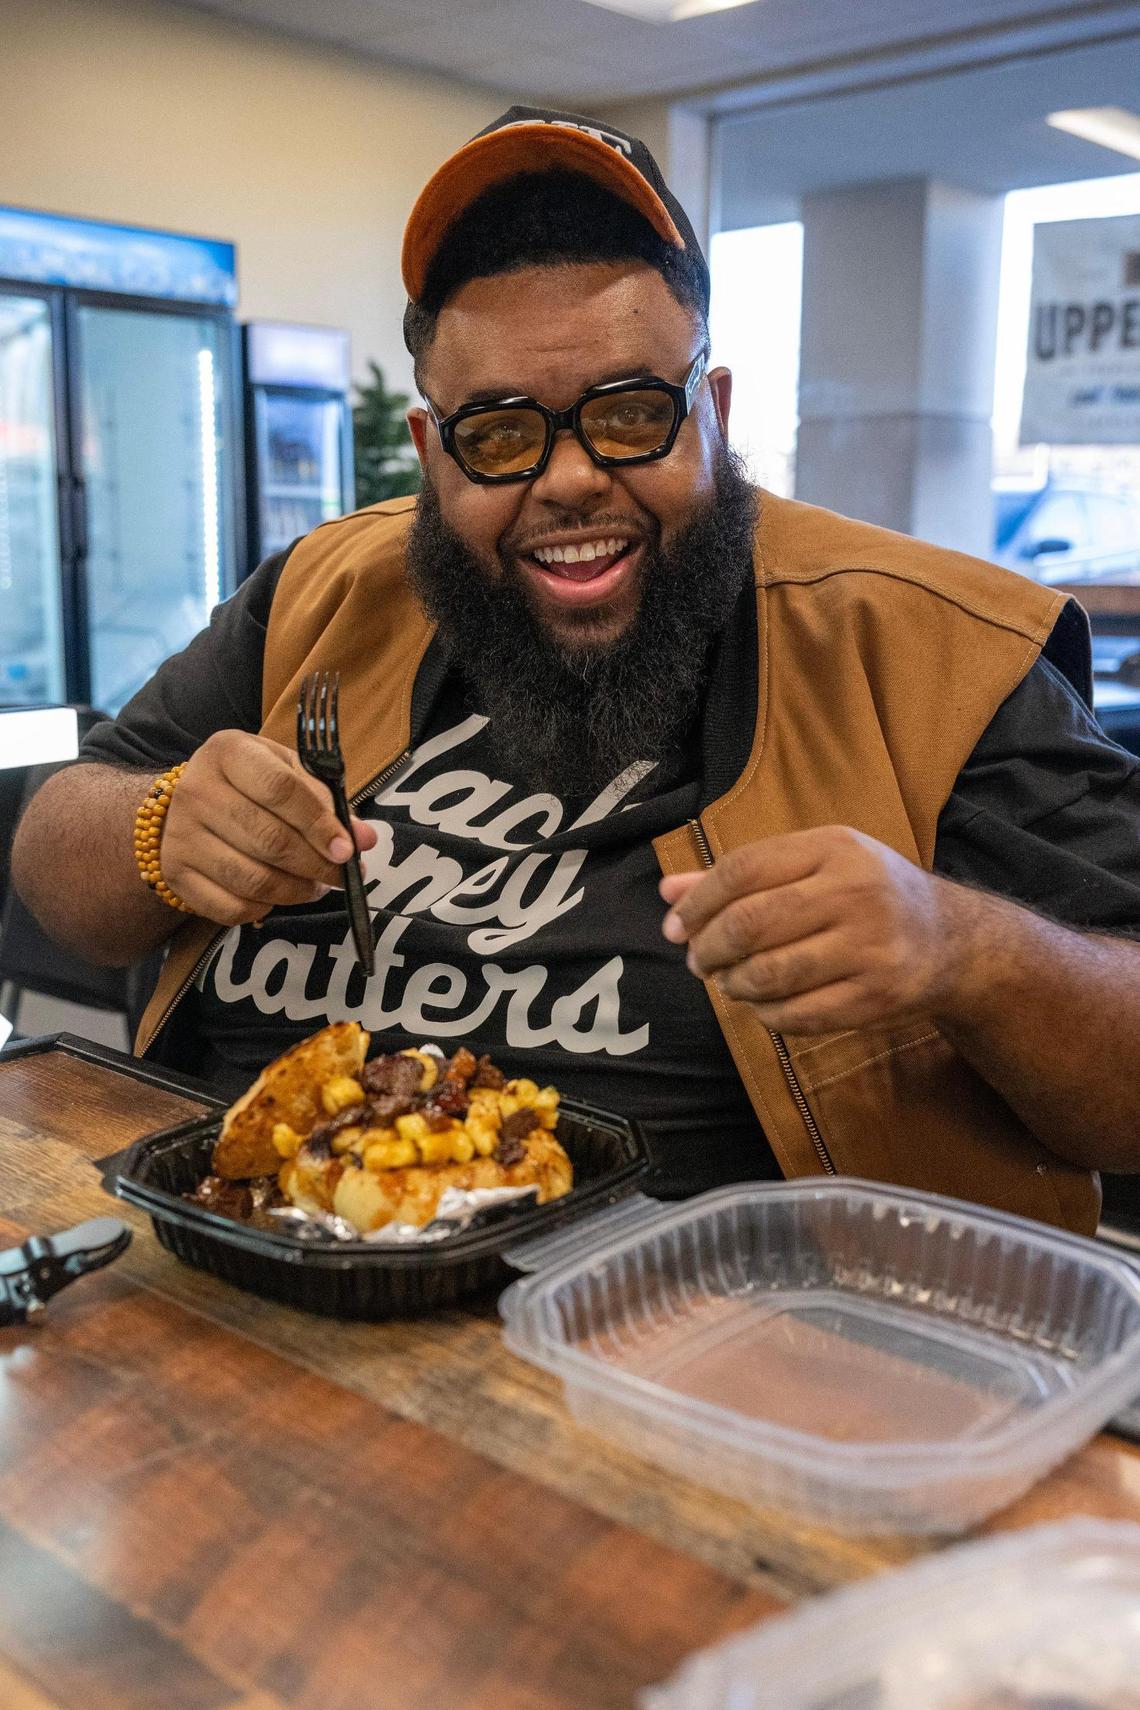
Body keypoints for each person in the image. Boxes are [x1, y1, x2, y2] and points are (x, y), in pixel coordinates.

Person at [13, 108, 1140, 1231]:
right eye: (500, 434)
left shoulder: (938, 646)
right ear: (432, 455)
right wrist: (158, 829)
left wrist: (964, 949)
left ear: (712, 411)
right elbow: (54, 860)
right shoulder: (321, 592)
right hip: (230, 1258)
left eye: (632, 414)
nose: (568, 480)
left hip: (721, 1317)